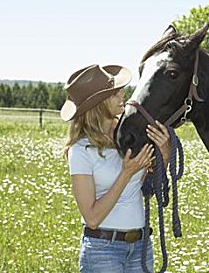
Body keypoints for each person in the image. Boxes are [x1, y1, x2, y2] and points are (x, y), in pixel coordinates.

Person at [61, 64, 171, 273]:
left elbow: (148, 189)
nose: (123, 94)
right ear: (98, 104)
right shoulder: (81, 150)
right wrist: (126, 174)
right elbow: (92, 218)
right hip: (103, 251)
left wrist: (164, 156)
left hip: (141, 246)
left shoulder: (130, 137)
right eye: (114, 93)